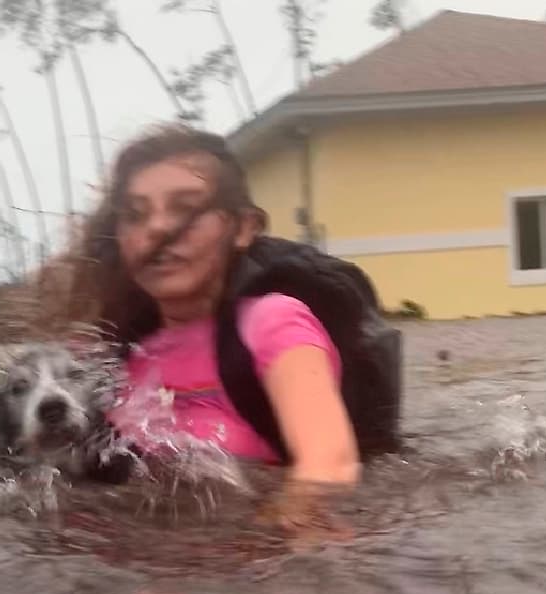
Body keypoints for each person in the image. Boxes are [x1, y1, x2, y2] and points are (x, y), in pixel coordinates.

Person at [53, 124, 373, 544]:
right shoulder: (113, 357)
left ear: (242, 228)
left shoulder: (271, 324)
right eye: (135, 215)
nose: (157, 229)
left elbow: (329, 466)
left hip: (250, 570)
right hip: (145, 573)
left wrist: (271, 536)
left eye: (184, 208)